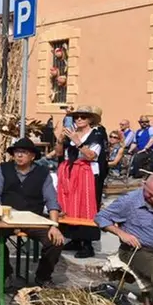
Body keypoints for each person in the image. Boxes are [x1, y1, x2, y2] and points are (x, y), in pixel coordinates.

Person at [0, 138, 64, 287]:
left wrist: (54, 225)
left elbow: (51, 200)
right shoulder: (3, 168)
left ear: (32, 156)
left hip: (33, 218)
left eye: (24, 152)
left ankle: (43, 276)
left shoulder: (42, 173)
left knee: (55, 241)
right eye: (17, 152)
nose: (19, 155)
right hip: (6, 217)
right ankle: (6, 273)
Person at [95, 173, 153, 305]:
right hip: (137, 249)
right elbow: (101, 217)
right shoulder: (129, 201)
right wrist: (121, 233)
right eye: (150, 194)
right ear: (144, 184)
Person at [55, 105, 103, 258]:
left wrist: (78, 142)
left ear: (90, 119)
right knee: (70, 205)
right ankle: (75, 239)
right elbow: (58, 153)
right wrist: (60, 141)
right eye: (77, 117)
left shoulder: (96, 135)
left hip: (86, 173)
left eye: (83, 116)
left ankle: (88, 244)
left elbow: (91, 155)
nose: (79, 119)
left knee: (86, 206)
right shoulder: (71, 133)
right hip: (70, 170)